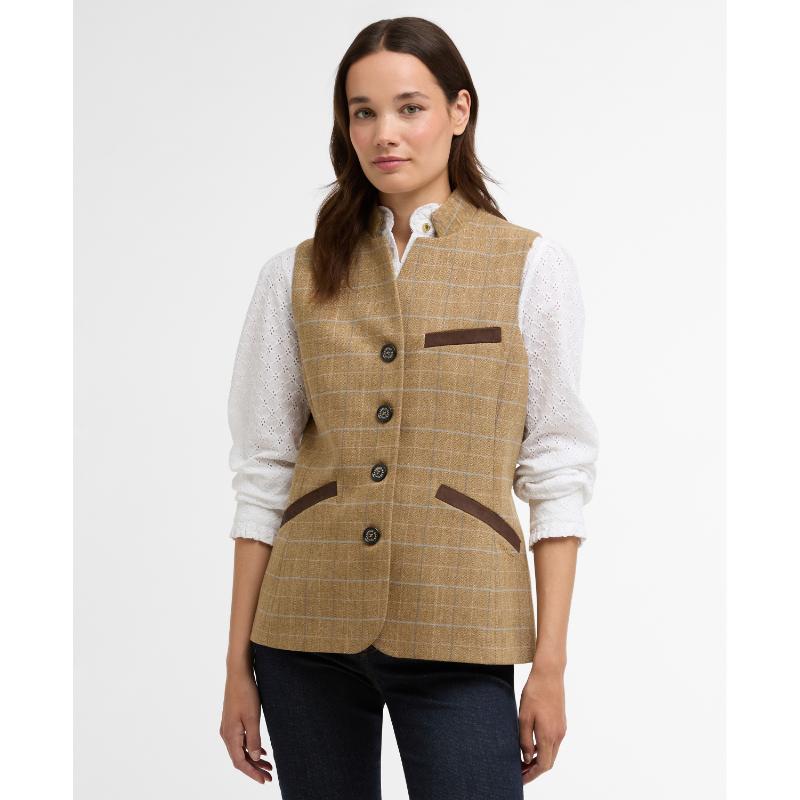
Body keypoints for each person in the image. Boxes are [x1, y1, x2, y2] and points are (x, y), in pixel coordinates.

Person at [219, 16, 599, 799]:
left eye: (409, 108)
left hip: (463, 621)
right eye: (363, 112)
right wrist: (236, 667)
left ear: (460, 111)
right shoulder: (292, 275)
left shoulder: (531, 266)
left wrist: (550, 666)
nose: (384, 133)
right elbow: (263, 472)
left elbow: (557, 468)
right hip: (303, 627)